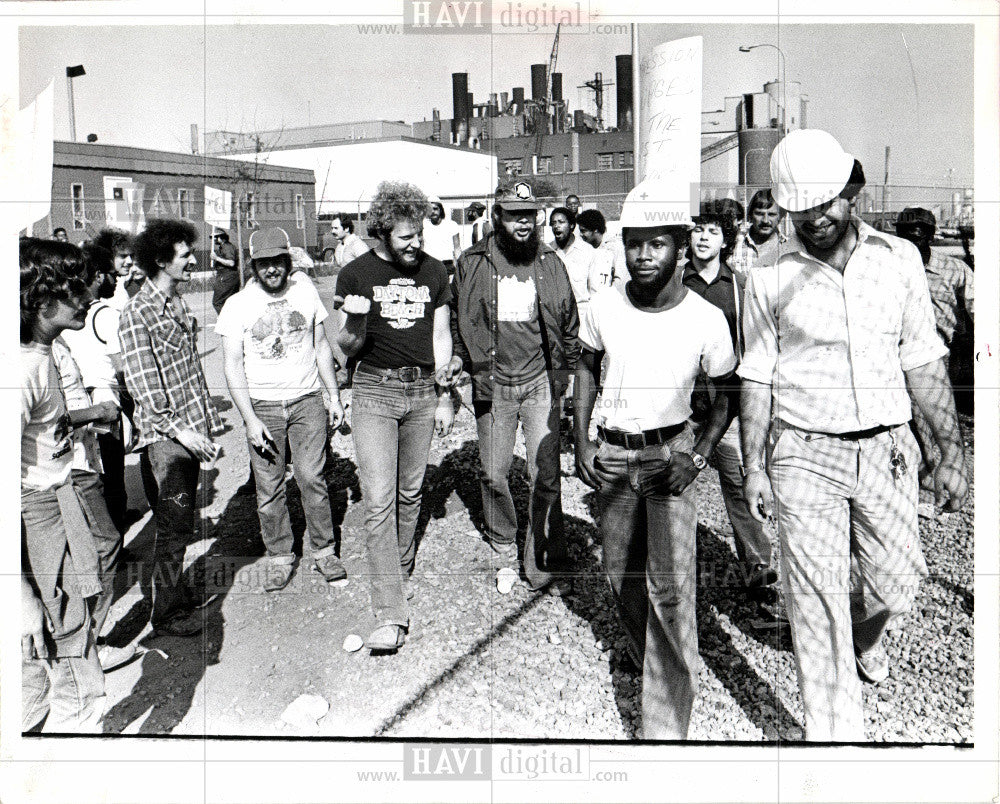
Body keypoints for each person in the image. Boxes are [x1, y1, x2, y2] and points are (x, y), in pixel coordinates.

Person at [739, 129, 969, 741]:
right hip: (803, 453)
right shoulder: (765, 273)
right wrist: (756, 466)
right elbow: (757, 373)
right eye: (799, 207)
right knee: (815, 603)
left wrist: (951, 451)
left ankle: (865, 635)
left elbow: (923, 359)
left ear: (853, 192)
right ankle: (835, 743)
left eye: (825, 202)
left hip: (887, 448)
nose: (813, 218)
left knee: (896, 582)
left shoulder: (899, 260)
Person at [574, 180, 739, 739]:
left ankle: (664, 729)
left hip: (672, 459)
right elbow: (584, 368)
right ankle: (649, 656)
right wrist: (582, 441)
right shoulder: (604, 307)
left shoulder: (705, 318)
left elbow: (726, 394)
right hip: (614, 457)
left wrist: (697, 455)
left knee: (669, 587)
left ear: (680, 245)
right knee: (620, 575)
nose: (644, 256)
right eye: (635, 244)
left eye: (657, 244)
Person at [335, 181, 460, 653]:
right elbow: (345, 348)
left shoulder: (434, 272)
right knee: (379, 497)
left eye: (420, 234)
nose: (416, 244)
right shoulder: (354, 275)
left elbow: (441, 335)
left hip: (422, 391)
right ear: (383, 231)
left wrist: (444, 391)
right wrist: (356, 320)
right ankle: (390, 611)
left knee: (411, 490)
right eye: (406, 236)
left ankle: (397, 564)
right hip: (373, 390)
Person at [451, 180, 579, 591]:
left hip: (540, 381)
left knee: (546, 475)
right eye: (514, 215)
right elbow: (457, 320)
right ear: (496, 217)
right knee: (493, 473)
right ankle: (503, 541)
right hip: (493, 384)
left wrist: (567, 376)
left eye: (529, 215)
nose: (523, 224)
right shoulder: (471, 263)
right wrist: (458, 360)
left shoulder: (550, 263)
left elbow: (569, 323)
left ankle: (542, 559)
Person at [217, 227, 346, 592]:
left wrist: (333, 396)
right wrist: (250, 419)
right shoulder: (237, 305)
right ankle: (279, 556)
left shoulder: (305, 291)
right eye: (264, 263)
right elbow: (232, 364)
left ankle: (324, 550)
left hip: (306, 401)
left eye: (278, 261)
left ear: (287, 261)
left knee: (311, 477)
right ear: (253, 265)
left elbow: (322, 346)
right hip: (264, 407)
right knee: (269, 486)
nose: (272, 269)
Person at [20, 238, 112, 731]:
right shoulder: (22, 369)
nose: (85, 297)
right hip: (33, 515)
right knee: (55, 646)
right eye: (73, 288)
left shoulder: (46, 353)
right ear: (38, 300)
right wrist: (19, 595)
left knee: (65, 637)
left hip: (55, 502)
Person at [119, 219, 223, 638]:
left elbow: (190, 374)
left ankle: (174, 596)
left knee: (180, 523)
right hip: (168, 441)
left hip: (189, 433)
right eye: (185, 255)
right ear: (161, 260)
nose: (194, 259)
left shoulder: (177, 302)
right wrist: (184, 433)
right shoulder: (137, 315)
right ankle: (165, 614)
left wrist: (204, 429)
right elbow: (144, 389)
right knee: (173, 525)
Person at [682, 201, 782, 622]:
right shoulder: (672, 283)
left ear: (726, 241)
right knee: (674, 490)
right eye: (698, 230)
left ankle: (759, 571)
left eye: (712, 231)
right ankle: (677, 578)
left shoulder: (741, 287)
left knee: (743, 489)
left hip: (729, 408)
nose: (703, 238)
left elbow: (754, 349)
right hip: (681, 407)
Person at [894, 207, 975, 481]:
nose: (913, 242)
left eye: (920, 236)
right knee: (909, 413)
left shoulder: (953, 269)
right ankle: (924, 472)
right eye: (906, 235)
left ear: (930, 236)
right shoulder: (889, 267)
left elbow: (977, 307)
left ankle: (936, 473)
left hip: (939, 353)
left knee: (933, 412)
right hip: (897, 350)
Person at [60, 244, 135, 535]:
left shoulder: (68, 316)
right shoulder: (104, 314)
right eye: (109, 275)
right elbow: (121, 366)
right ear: (97, 276)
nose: (115, 279)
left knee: (94, 468)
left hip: (80, 400)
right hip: (105, 399)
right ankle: (115, 536)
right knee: (112, 471)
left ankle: (105, 528)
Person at [549, 206, 603, 314]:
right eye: (553, 223)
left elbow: (595, 291)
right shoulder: (547, 252)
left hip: (582, 316)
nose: (556, 226)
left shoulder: (588, 252)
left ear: (571, 225)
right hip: (555, 318)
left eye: (561, 222)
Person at [731, 189, 787, 275]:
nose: (765, 220)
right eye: (759, 214)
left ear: (780, 217)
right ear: (750, 216)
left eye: (771, 214)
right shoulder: (735, 243)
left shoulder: (789, 246)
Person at [422, 196, 462, 272]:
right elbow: (421, 247)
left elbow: (457, 248)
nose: (433, 212)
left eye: (435, 208)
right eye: (430, 209)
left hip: (447, 266)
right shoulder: (423, 225)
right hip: (429, 265)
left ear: (441, 209)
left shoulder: (451, 225)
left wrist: (460, 266)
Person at [210, 229, 240, 315]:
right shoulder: (224, 247)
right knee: (230, 301)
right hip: (228, 276)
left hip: (227, 276)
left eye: (215, 237)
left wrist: (216, 258)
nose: (214, 240)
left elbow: (231, 263)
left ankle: (225, 320)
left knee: (218, 302)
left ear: (221, 237)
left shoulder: (227, 247)